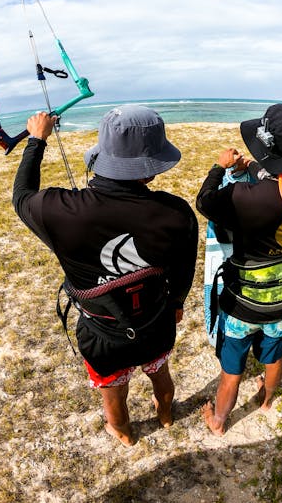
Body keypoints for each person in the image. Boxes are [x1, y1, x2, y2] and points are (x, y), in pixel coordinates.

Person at [13, 105, 198, 446]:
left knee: (112, 391)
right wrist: (177, 302)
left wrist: (37, 140)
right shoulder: (176, 213)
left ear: (102, 157)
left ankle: (123, 432)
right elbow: (184, 270)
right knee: (161, 374)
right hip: (155, 323)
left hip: (102, 334)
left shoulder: (58, 210)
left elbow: (22, 195)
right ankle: (166, 414)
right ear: (151, 170)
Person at [196, 103, 282, 435]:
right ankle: (267, 401)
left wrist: (220, 166)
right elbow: (277, 185)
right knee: (274, 355)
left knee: (232, 369)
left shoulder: (244, 198)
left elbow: (206, 202)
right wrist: (254, 167)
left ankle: (219, 421)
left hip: (244, 304)